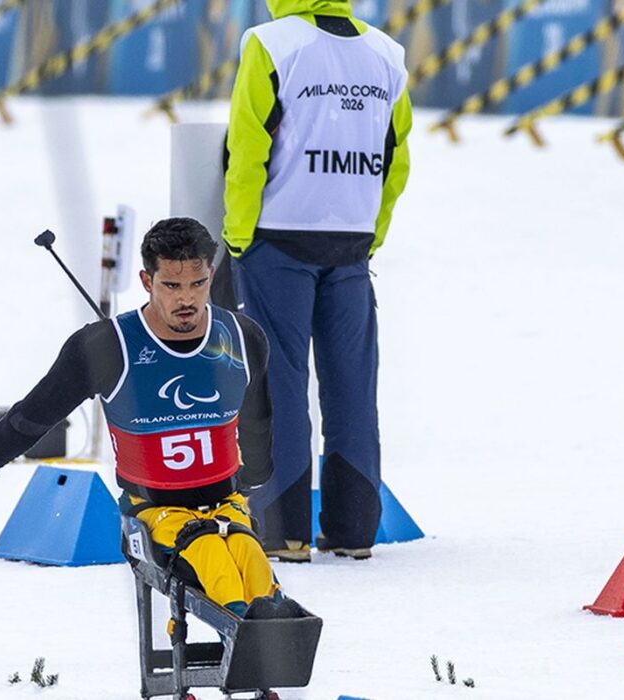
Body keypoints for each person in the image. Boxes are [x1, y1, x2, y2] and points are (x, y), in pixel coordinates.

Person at [0, 217, 293, 616]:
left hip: (226, 504)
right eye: (171, 286)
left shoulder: (242, 339)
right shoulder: (107, 346)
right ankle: (255, 638)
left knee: (253, 566)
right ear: (147, 281)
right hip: (155, 512)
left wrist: (253, 478)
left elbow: (259, 424)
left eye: (198, 284)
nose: (187, 300)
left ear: (211, 274)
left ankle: (272, 638)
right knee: (218, 566)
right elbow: (31, 419)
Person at [222, 0, 413, 562]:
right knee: (353, 389)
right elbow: (395, 159)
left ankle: (285, 532)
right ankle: (354, 531)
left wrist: (238, 236)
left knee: (277, 385)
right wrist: (370, 234)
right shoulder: (387, 54)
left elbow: (247, 148)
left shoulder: (270, 42)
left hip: (277, 239)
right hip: (350, 242)